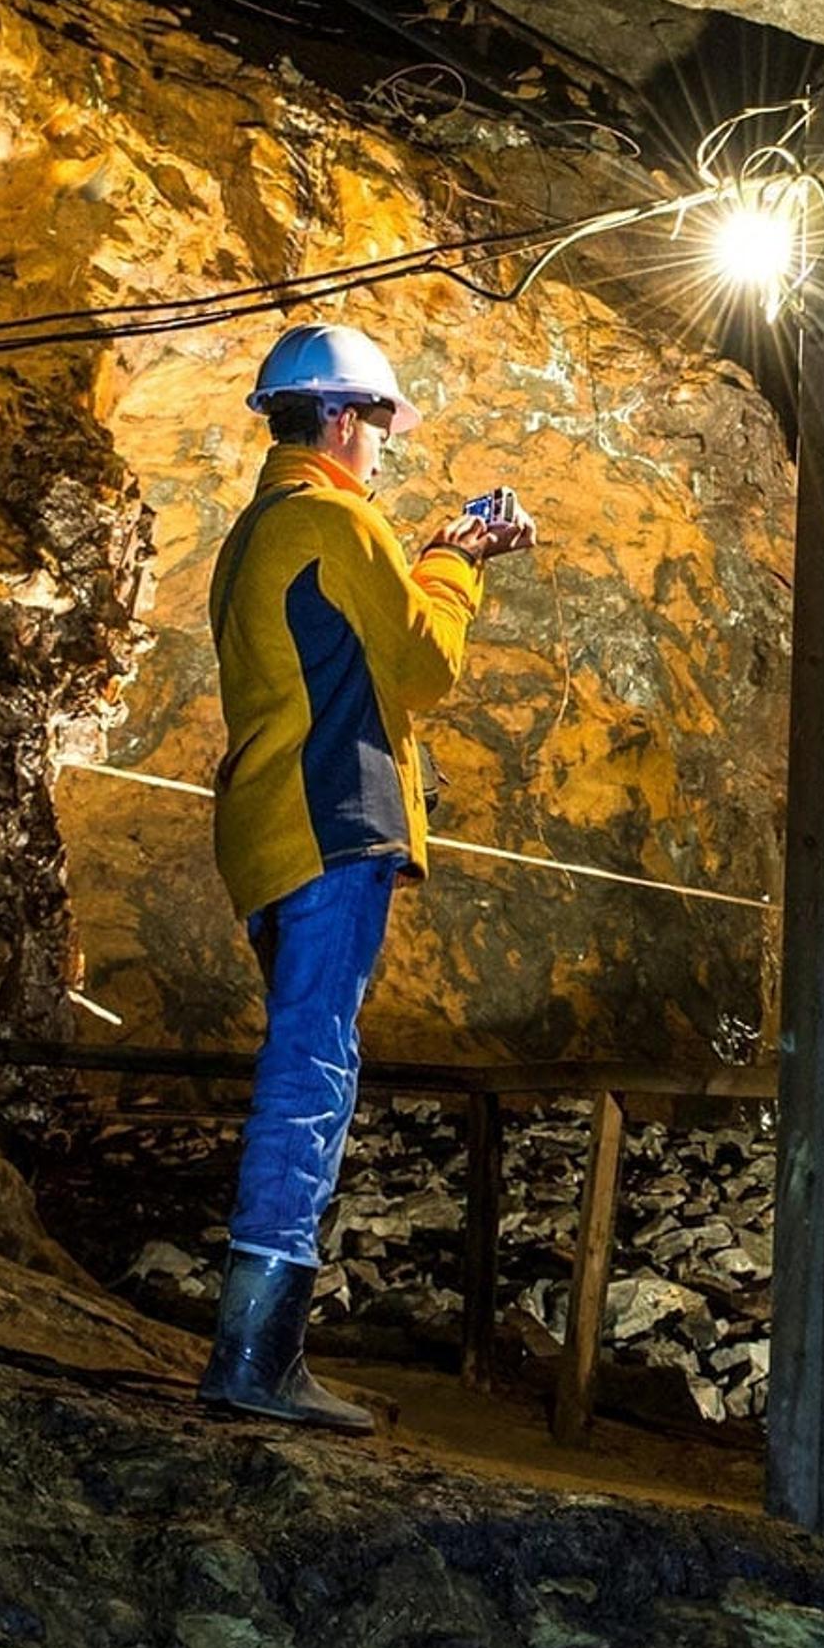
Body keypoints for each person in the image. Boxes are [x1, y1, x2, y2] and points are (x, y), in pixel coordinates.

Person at [200, 321, 534, 1430]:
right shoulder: (335, 520)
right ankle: (258, 1357)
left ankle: (260, 1347)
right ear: (344, 421)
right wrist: (457, 559)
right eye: (380, 425)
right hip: (329, 820)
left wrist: (428, 552)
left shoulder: (253, 533)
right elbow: (422, 666)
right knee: (312, 1074)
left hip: (267, 825)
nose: (383, 447)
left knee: (306, 1064)